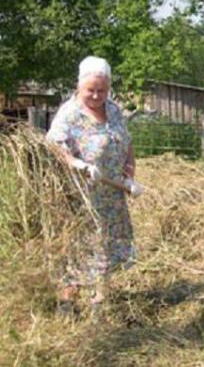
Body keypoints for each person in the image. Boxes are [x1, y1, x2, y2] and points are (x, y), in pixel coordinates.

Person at [46, 55, 143, 317]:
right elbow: (54, 146)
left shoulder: (113, 109)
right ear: (79, 86)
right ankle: (66, 305)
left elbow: (127, 143)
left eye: (102, 90)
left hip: (112, 194)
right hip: (81, 196)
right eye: (91, 90)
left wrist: (129, 177)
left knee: (108, 246)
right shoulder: (70, 113)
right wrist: (78, 164)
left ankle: (99, 303)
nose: (97, 95)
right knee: (81, 248)